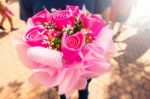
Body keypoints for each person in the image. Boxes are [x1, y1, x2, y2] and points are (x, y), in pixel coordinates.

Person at [19, 0, 104, 99]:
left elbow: (102, 21)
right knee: (62, 91)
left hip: (85, 65)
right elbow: (30, 27)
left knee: (83, 87)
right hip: (54, 67)